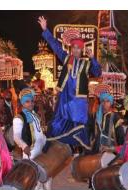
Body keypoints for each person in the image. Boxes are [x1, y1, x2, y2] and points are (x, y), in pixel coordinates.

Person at [38, 16, 101, 150]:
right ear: (71, 48)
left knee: (79, 125)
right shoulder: (66, 58)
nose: (76, 50)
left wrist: (93, 58)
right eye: (74, 48)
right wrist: (45, 30)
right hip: (65, 98)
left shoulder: (86, 63)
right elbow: (55, 45)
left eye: (78, 48)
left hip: (78, 101)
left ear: (82, 50)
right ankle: (57, 148)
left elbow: (98, 72)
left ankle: (78, 151)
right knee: (57, 123)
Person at [13, 88, 51, 189]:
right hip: (30, 152)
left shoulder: (35, 115)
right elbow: (16, 136)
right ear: (22, 103)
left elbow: (40, 132)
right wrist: (24, 146)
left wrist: (46, 141)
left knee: (44, 176)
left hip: (41, 150)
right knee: (33, 179)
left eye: (32, 101)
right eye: (27, 101)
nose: (30, 104)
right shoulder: (19, 117)